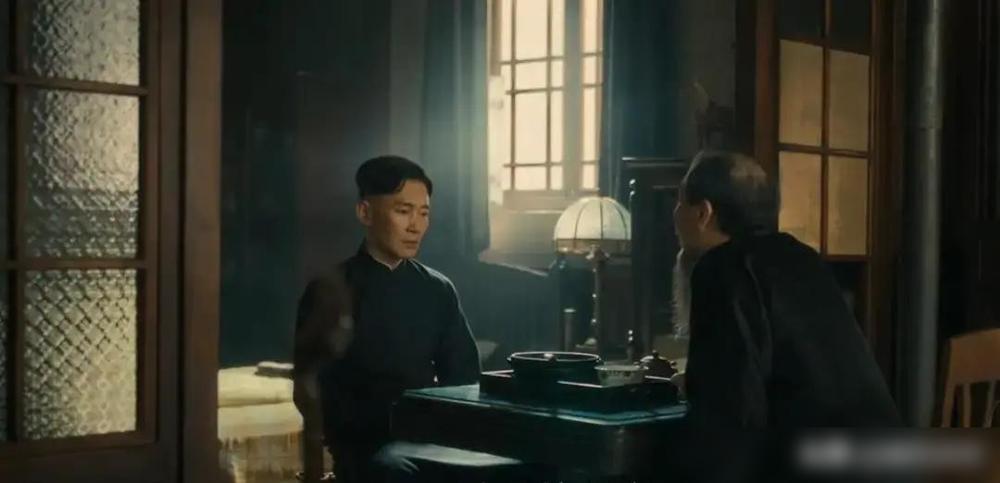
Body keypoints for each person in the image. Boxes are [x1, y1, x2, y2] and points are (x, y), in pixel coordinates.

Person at [293, 155, 481, 482]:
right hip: (364, 448)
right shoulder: (330, 290)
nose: (415, 226)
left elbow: (464, 378)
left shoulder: (437, 289)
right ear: (365, 212)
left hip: (429, 440)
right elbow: (312, 389)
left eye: (424, 213)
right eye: (403, 211)